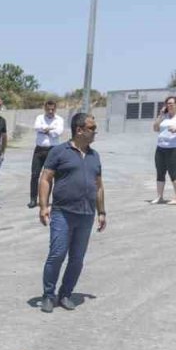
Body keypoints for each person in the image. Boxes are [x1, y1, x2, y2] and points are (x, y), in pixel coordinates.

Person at [38, 112, 106, 313]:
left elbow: (99, 186)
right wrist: (43, 206)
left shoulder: (95, 156)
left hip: (86, 214)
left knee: (77, 258)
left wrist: (102, 212)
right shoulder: (59, 151)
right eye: (92, 128)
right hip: (62, 213)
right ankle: (48, 295)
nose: (95, 131)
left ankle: (66, 294)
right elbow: (45, 178)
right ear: (79, 130)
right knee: (57, 254)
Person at [151, 95, 176, 205]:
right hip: (161, 147)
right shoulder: (164, 117)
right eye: (167, 103)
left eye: (171, 103)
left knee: (173, 171)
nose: (169, 105)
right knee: (160, 172)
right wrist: (160, 115)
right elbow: (155, 128)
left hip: (174, 147)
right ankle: (160, 197)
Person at [28, 100, 65, 208]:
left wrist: (44, 130)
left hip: (52, 150)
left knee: (50, 176)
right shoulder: (40, 118)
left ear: (55, 109)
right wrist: (49, 129)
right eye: (48, 109)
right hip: (39, 150)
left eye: (52, 109)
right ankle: (33, 199)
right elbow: (36, 127)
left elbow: (58, 133)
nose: (50, 111)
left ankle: (45, 200)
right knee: (35, 175)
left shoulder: (59, 119)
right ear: (45, 108)